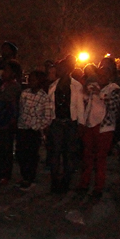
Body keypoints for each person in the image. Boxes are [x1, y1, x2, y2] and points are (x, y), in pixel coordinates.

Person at [76, 61, 120, 197]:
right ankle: (84, 184)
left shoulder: (114, 89)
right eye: (100, 74)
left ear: (110, 75)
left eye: (104, 74)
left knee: (100, 159)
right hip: (91, 125)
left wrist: (100, 94)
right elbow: (85, 102)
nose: (101, 77)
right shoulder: (93, 87)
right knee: (87, 156)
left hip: (104, 128)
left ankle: (98, 187)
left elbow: (113, 108)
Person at [47, 55, 84, 194]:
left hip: (70, 123)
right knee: (56, 154)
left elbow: (80, 107)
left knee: (67, 155)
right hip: (57, 122)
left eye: (61, 68)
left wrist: (81, 124)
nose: (58, 70)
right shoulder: (54, 86)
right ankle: (56, 182)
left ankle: (65, 182)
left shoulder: (76, 86)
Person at [16, 70, 51, 189]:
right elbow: (21, 109)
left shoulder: (44, 97)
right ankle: (24, 176)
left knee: (31, 155)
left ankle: (29, 178)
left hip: (33, 130)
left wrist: (37, 126)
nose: (31, 81)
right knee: (21, 154)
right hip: (22, 128)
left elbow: (47, 117)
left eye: (34, 79)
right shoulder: (25, 93)